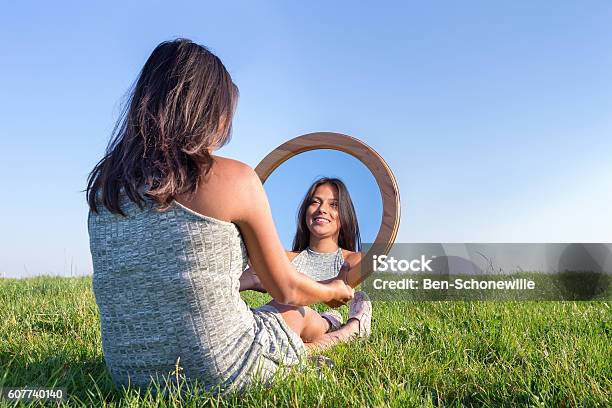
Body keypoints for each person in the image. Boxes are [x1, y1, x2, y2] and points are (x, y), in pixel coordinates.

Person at [86, 39, 371, 395]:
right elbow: (288, 288)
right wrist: (333, 290)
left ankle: (317, 336)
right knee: (292, 313)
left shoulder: (103, 188)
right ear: (209, 110)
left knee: (274, 312)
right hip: (219, 369)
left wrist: (246, 280)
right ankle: (347, 331)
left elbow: (160, 277)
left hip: (128, 374)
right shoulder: (233, 178)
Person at [240, 177, 370, 337]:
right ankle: (339, 327)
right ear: (305, 211)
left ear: (344, 214)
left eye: (333, 204)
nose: (322, 209)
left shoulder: (356, 260)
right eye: (315, 202)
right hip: (280, 323)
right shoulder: (283, 258)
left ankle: (333, 324)